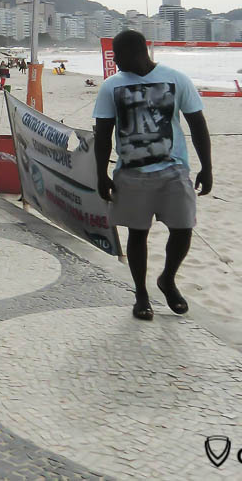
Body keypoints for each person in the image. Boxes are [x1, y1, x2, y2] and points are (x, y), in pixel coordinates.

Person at [93, 30, 212, 321]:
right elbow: (103, 135)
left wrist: (207, 167)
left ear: (137, 52)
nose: (116, 62)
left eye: (118, 56)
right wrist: (100, 174)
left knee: (183, 229)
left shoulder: (177, 79)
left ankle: (167, 279)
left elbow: (197, 124)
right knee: (138, 234)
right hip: (132, 174)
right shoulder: (111, 86)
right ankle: (141, 294)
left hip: (174, 170)